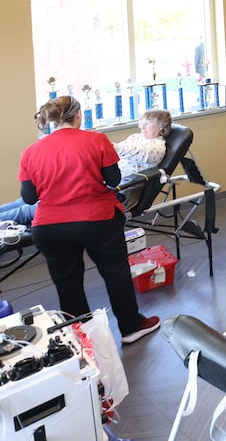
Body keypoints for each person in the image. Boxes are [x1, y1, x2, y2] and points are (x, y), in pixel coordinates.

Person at [18, 96, 160, 344]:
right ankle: (130, 327)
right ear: (78, 116)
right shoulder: (96, 140)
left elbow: (29, 198)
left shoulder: (31, 151)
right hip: (96, 220)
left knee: (67, 283)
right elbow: (113, 179)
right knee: (115, 272)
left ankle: (81, 338)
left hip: (49, 227)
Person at [1, 109, 173, 225]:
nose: (141, 126)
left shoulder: (157, 148)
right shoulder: (138, 137)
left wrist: (103, 144)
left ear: (162, 128)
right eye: (141, 122)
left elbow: (133, 152)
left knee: (27, 210)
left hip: (120, 193)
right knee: (24, 201)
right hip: (102, 186)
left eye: (147, 123)